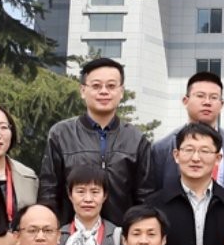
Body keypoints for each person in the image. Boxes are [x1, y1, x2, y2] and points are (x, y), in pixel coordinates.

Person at [39, 57, 156, 222]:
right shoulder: (61, 134)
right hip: (70, 232)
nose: (104, 92)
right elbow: (49, 191)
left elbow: (146, 196)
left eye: (111, 86)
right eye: (96, 86)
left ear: (121, 92)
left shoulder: (136, 139)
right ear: (82, 90)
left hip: (121, 232)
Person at [149, 123, 224, 245]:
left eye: (205, 151)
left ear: (218, 159)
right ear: (176, 155)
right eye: (189, 150)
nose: (196, 158)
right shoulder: (154, 205)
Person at [148, 71, 224, 192]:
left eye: (214, 97)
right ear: (185, 101)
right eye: (200, 96)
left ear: (221, 104)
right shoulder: (162, 148)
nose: (207, 102)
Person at [57, 165, 122, 245]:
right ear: (70, 195)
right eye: (80, 192)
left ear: (104, 196)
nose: (88, 199)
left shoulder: (118, 236)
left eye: (95, 192)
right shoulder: (58, 237)